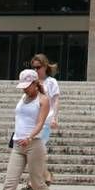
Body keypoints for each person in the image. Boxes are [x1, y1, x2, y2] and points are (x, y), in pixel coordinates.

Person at [31, 53, 61, 183]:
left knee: (38, 149)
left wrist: (55, 118)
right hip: (33, 121)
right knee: (35, 151)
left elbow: (56, 100)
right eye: (34, 67)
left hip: (46, 120)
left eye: (38, 67)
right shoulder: (32, 83)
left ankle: (34, 180)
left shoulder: (51, 82)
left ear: (44, 66)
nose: (36, 70)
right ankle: (46, 175)